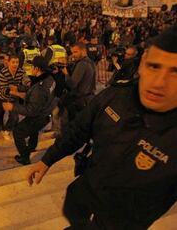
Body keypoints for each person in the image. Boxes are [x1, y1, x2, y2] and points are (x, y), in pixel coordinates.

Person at [26, 25, 177, 229]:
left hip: (121, 222)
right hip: (89, 188)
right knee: (73, 210)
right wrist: (48, 159)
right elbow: (79, 129)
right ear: (142, 64)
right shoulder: (115, 96)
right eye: (154, 66)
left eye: (175, 73)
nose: (159, 82)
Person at [3, 56, 55, 165]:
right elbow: (34, 92)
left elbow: (31, 110)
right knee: (33, 130)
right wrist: (18, 91)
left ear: (37, 68)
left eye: (32, 66)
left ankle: (25, 157)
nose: (30, 68)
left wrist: (13, 107)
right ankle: (32, 146)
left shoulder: (39, 89)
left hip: (39, 116)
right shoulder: (49, 79)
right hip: (45, 113)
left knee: (18, 132)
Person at [60, 42, 96, 121]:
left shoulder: (82, 64)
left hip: (79, 101)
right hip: (87, 99)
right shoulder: (91, 62)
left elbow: (72, 84)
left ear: (83, 51)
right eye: (72, 52)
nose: (73, 55)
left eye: (75, 52)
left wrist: (65, 73)